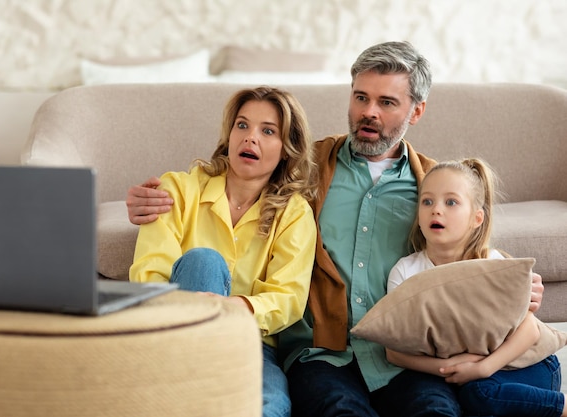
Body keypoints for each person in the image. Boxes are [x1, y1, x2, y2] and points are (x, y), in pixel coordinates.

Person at [125, 41, 545, 416]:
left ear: (416, 111)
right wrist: (152, 198)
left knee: (433, 409)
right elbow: (239, 171)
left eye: (386, 102)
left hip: (401, 354)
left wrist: (514, 282)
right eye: (361, 97)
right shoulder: (305, 166)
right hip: (322, 351)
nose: (369, 112)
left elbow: (469, 245)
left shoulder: (433, 184)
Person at [129, 86, 318, 417]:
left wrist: (232, 307)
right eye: (242, 125)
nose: (250, 138)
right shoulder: (176, 189)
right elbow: (149, 276)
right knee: (203, 261)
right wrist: (198, 315)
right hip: (175, 337)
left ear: (286, 149)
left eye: (268, 131)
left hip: (249, 343)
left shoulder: (295, 213)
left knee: (272, 406)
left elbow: (288, 299)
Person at [386, 158, 565, 417]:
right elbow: (394, 352)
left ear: (476, 218)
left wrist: (483, 367)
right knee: (463, 402)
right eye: (427, 201)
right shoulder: (404, 271)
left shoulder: (491, 263)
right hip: (467, 376)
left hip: (526, 364)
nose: (436, 210)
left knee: (479, 394)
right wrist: (445, 367)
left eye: (451, 202)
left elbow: (529, 331)